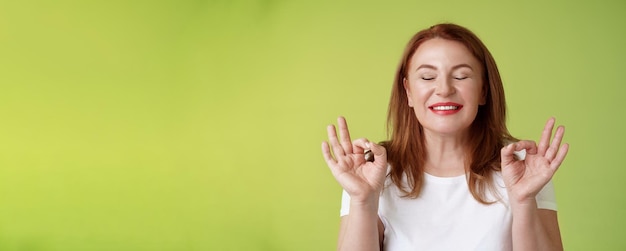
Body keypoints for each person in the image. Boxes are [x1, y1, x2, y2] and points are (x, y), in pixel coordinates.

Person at [321, 23, 569, 251]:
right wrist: (363, 199)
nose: (444, 89)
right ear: (408, 91)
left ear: (483, 90)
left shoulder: (523, 168)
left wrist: (524, 201)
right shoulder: (373, 171)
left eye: (461, 76)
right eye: (428, 77)